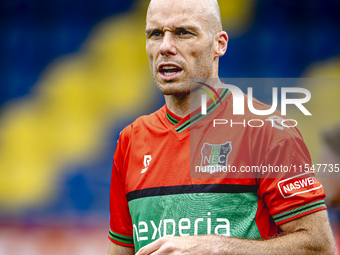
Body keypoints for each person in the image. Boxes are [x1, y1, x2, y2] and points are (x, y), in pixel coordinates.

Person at [108, 0, 335, 254]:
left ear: (220, 44)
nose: (165, 47)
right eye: (155, 34)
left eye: (183, 33)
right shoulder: (130, 140)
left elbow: (319, 247)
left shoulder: (268, 130)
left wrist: (217, 247)